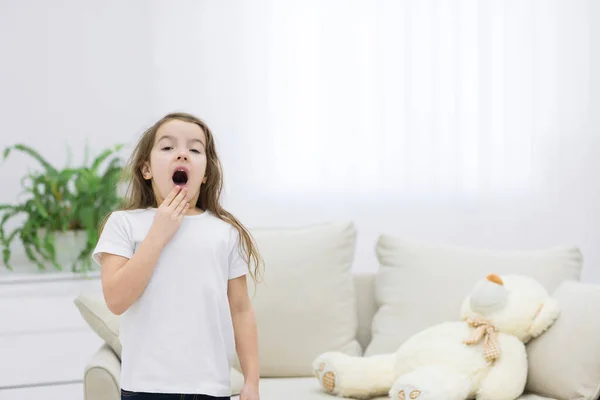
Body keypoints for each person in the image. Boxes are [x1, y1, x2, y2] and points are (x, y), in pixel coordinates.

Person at [92, 112, 264, 400]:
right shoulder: (124, 224)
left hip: (209, 388)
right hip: (145, 387)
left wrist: (252, 382)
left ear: (206, 173)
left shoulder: (225, 233)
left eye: (195, 149)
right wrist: (159, 233)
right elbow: (116, 300)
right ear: (146, 169)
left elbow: (241, 310)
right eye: (168, 147)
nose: (182, 154)